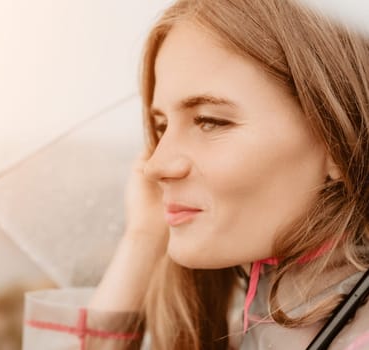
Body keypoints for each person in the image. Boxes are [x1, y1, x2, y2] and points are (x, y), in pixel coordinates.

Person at [22, 0, 369, 349]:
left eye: (209, 120)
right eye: (161, 126)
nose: (154, 165)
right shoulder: (249, 328)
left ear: (337, 143)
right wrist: (142, 237)